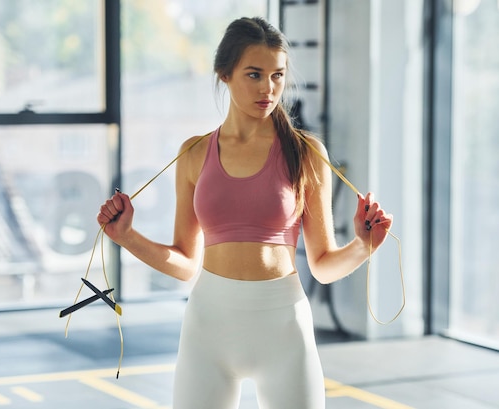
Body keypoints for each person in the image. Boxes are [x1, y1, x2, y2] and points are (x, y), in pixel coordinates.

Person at [97, 16, 393, 409]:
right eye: (254, 75)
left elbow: (321, 265)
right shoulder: (193, 153)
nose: (268, 89)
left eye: (277, 76)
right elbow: (186, 262)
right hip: (209, 328)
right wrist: (127, 237)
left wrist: (363, 246)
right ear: (225, 73)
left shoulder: (306, 153)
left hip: (284, 329)